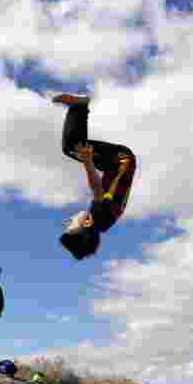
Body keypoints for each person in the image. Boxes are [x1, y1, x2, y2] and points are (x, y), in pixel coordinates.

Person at [52, 93, 137, 260]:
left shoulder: (102, 222)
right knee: (71, 146)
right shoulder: (99, 217)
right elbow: (97, 188)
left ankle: (79, 106)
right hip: (119, 159)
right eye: (71, 225)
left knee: (72, 146)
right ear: (87, 223)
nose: (69, 221)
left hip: (113, 165)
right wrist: (87, 161)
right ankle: (80, 106)